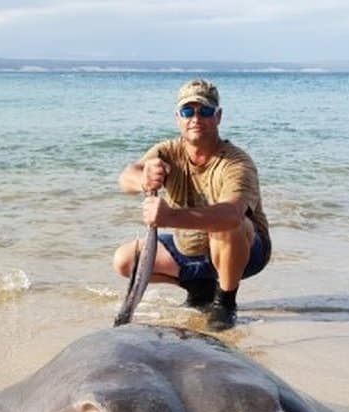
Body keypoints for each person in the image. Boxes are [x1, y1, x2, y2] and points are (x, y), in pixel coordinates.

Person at [114, 78, 271, 331]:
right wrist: (143, 179)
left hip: (245, 249)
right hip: (189, 248)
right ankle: (199, 287)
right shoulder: (167, 151)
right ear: (178, 118)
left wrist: (169, 217)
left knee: (228, 225)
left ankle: (226, 301)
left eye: (205, 111)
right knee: (124, 260)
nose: (195, 118)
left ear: (218, 116)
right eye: (188, 111)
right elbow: (125, 177)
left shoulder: (236, 162)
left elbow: (231, 215)